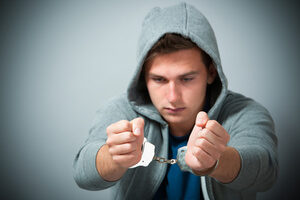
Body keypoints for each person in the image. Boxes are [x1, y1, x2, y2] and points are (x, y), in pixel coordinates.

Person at [73, 2, 278, 200]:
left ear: (211, 72)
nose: (172, 97)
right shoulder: (121, 110)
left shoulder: (245, 112)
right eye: (159, 79)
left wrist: (217, 161)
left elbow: (266, 171)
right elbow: (83, 173)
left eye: (187, 79)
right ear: (143, 77)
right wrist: (114, 157)